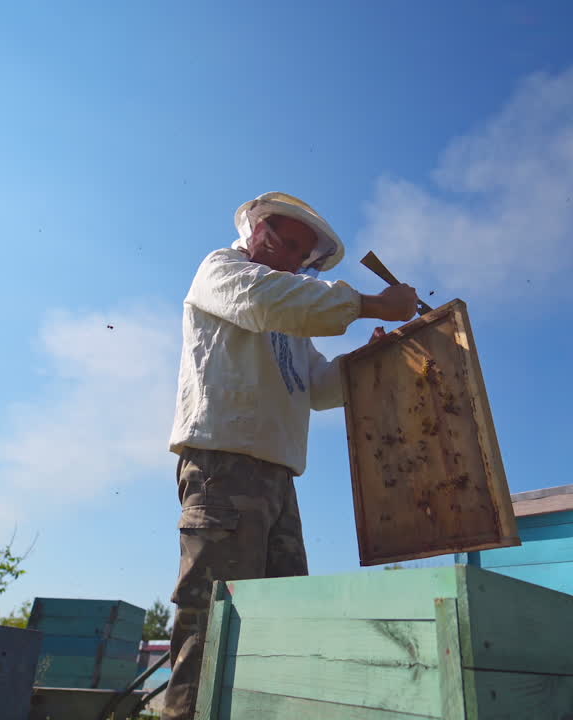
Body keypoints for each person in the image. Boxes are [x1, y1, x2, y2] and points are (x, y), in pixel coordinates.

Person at [162, 192, 418, 719]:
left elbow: (318, 387)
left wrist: (372, 358)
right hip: (222, 466)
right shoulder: (222, 270)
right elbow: (265, 301)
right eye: (283, 238)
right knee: (214, 619)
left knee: (278, 625)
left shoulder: (290, 316)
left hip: (278, 477)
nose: (290, 254)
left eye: (301, 251)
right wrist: (370, 303)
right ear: (257, 231)